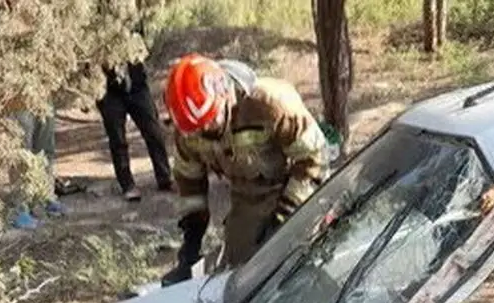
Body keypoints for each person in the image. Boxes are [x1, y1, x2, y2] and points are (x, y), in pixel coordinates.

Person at [159, 54, 329, 286]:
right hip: (248, 196)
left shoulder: (271, 104)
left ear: (226, 96)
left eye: (211, 121)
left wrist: (283, 224)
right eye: (197, 129)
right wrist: (191, 240)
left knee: (300, 264)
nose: (205, 131)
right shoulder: (190, 127)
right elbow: (189, 182)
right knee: (242, 275)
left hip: (298, 187)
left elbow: (314, 159)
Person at [98, 59, 174, 202]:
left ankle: (164, 177)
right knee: (117, 139)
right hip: (109, 91)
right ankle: (127, 185)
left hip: (137, 86)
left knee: (153, 131)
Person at [3, 96, 66, 229]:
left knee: (45, 150)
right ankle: (20, 208)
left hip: (43, 94)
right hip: (18, 97)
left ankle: (44, 198)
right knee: (21, 154)